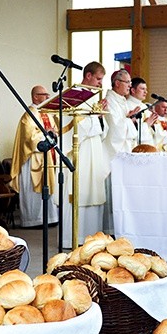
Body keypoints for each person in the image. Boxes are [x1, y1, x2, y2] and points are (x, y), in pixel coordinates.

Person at [61, 61, 110, 247]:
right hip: (81, 151)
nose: (100, 83)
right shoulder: (74, 96)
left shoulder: (92, 97)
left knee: (93, 191)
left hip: (94, 150)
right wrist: (95, 118)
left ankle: (92, 238)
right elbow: (77, 127)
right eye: (98, 79)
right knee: (81, 191)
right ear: (88, 75)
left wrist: (101, 116)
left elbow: (101, 131)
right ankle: (74, 238)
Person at [9, 85, 59, 227]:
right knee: (33, 192)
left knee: (48, 189)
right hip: (33, 159)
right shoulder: (28, 115)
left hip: (48, 157)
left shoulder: (47, 113)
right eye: (44, 94)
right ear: (35, 97)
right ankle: (33, 220)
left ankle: (50, 218)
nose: (48, 97)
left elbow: (56, 131)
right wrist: (46, 133)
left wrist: (53, 132)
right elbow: (29, 138)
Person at [104, 69, 141, 160]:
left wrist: (130, 117)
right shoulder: (110, 101)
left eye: (130, 82)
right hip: (114, 153)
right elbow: (115, 128)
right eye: (127, 82)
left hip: (125, 148)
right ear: (117, 83)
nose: (130, 85)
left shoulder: (122, 100)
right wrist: (129, 120)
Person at [126, 77, 158, 146]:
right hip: (135, 146)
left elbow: (152, 131)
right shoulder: (127, 106)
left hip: (148, 145)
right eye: (142, 89)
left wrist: (153, 124)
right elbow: (130, 131)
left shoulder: (144, 107)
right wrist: (147, 123)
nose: (146, 92)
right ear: (133, 90)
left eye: (146, 89)